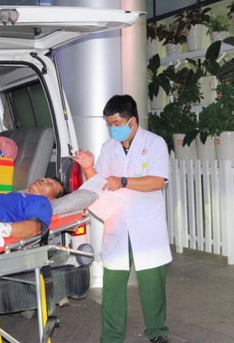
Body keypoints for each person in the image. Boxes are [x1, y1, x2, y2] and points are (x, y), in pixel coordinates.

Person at [72, 95, 171, 343]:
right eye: (109, 124)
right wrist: (88, 167)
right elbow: (102, 184)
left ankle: (157, 332)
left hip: (147, 222)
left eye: (117, 123)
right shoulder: (109, 148)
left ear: (132, 120)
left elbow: (157, 181)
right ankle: (112, 336)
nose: (112, 128)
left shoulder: (155, 143)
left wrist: (124, 181)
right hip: (118, 223)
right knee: (113, 284)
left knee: (152, 283)